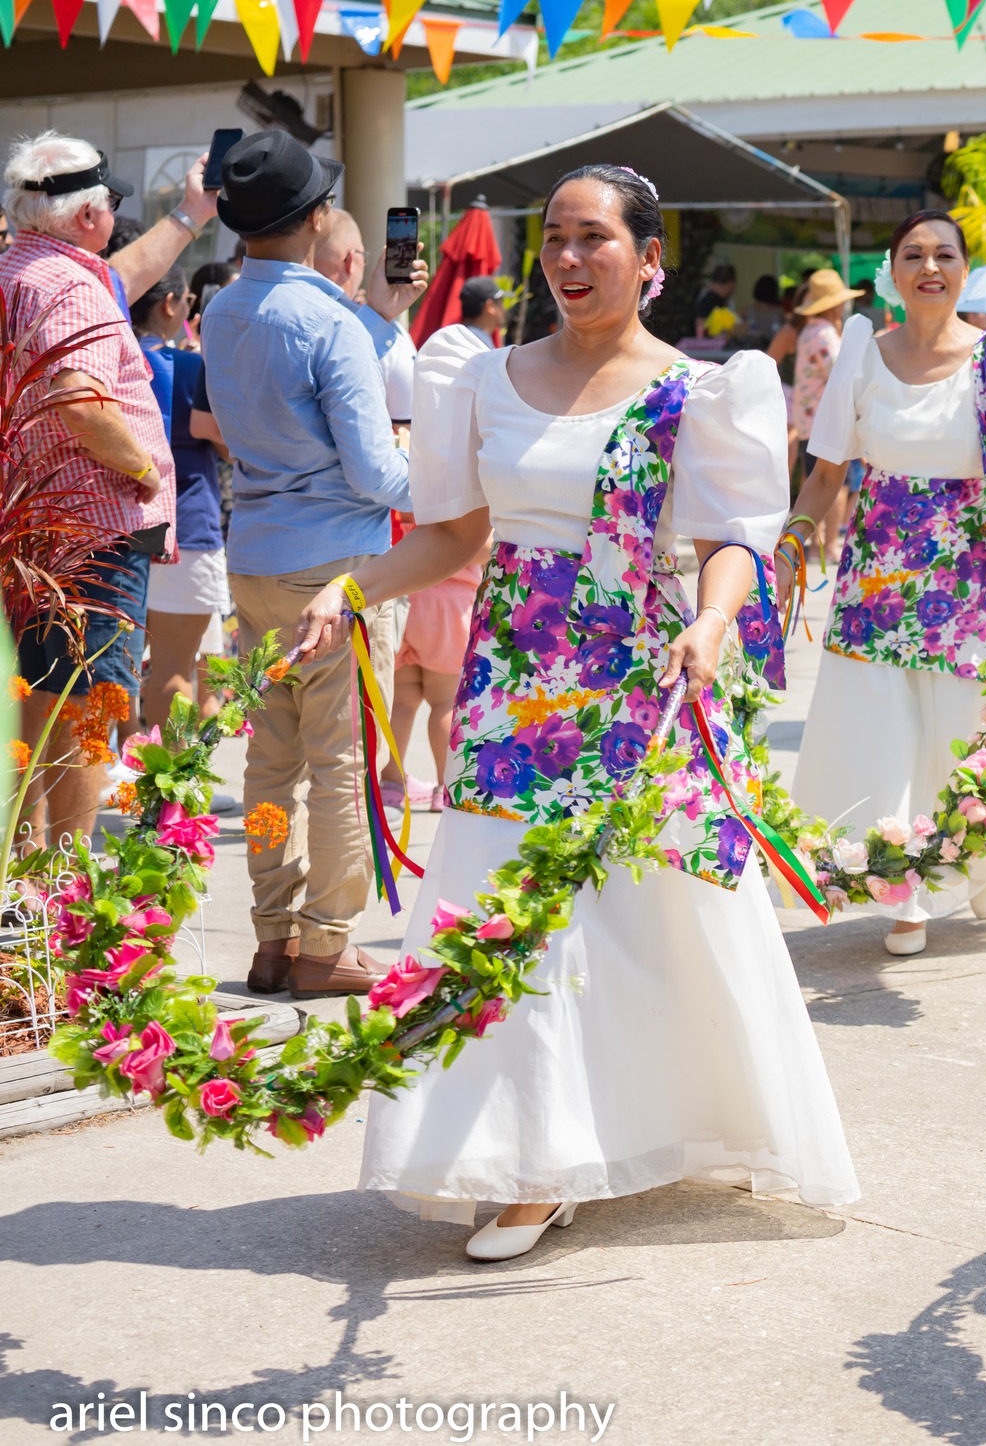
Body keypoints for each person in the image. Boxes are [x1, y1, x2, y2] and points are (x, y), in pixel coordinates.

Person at [293, 163, 859, 1259]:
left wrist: (710, 623)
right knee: (511, 906)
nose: (566, 256)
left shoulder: (700, 387)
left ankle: (691, 1115)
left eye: (593, 237)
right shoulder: (481, 376)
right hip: (514, 680)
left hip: (645, 674)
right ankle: (531, 1163)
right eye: (553, 236)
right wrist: (350, 586)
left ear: (649, 261)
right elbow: (454, 535)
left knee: (660, 912)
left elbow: (734, 536)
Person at [782, 211, 986, 956]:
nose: (930, 266)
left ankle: (977, 859)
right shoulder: (861, 352)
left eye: (945, 254)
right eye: (914, 254)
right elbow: (825, 475)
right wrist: (790, 541)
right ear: (892, 270)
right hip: (877, 572)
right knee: (880, 731)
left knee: (964, 727)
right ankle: (904, 888)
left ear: (966, 271)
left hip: (971, 570)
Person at [202, 130, 414, 1000]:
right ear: (318, 216)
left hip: (252, 552)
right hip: (335, 564)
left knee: (269, 763)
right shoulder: (328, 318)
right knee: (340, 763)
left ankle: (272, 935)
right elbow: (373, 472)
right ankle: (326, 942)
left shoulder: (220, 307)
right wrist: (429, 465)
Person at [1, 131, 179, 847]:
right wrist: (143, 469)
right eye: (109, 201)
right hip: (93, 523)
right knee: (88, 703)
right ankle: (68, 874)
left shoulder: (15, 266)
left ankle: (30, 860)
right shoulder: (72, 280)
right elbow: (81, 400)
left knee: (40, 695)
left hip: (40, 520)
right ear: (85, 216)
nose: (112, 213)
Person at [378, 294, 503, 811]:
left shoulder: (407, 456)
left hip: (406, 596)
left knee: (403, 700)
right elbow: (476, 546)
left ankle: (392, 778)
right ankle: (450, 786)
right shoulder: (467, 471)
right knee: (446, 704)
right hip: (451, 606)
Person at [131, 269, 231, 728]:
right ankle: (174, 795)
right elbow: (228, 445)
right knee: (176, 666)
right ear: (170, 304)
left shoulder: (112, 362)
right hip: (188, 528)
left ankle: (132, 770)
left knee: (131, 664)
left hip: (126, 525)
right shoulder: (192, 368)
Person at [310, 207, 427, 426]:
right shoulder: (389, 336)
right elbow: (407, 429)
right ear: (350, 260)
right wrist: (379, 313)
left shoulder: (284, 319)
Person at [787, 268, 858, 564]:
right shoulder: (825, 334)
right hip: (825, 421)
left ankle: (814, 546)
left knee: (813, 479)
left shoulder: (808, 331)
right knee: (836, 482)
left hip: (808, 420)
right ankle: (829, 546)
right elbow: (842, 373)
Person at [694, 260, 738, 336]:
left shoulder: (707, 296)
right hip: (707, 345)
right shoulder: (711, 299)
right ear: (730, 283)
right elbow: (700, 324)